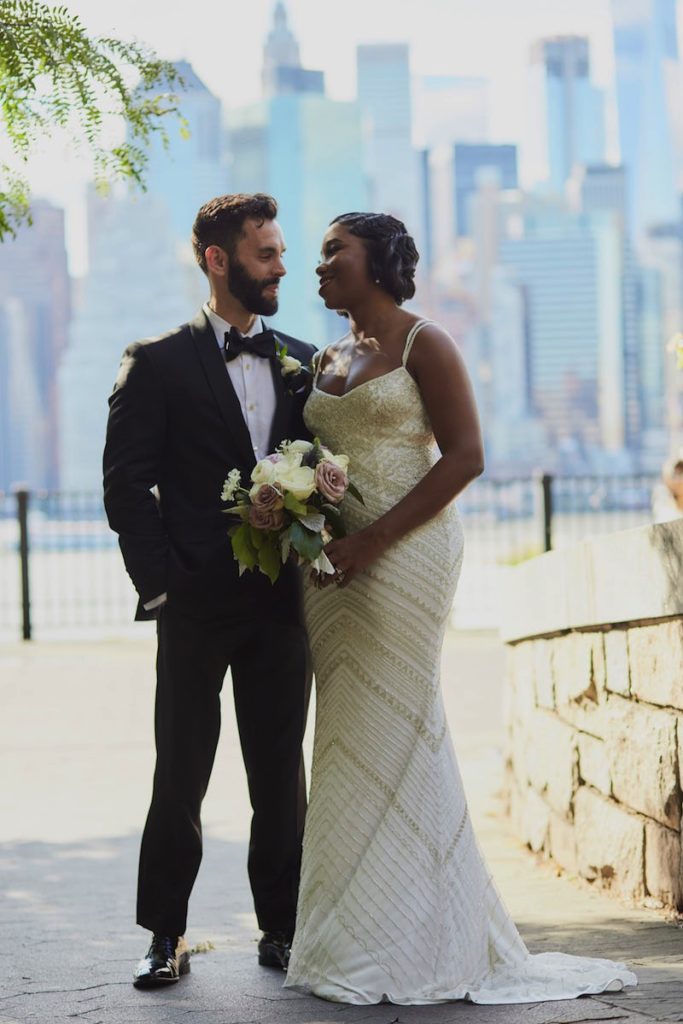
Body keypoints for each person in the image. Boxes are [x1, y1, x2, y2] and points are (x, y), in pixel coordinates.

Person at [284, 212, 637, 1005]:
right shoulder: (327, 357)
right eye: (317, 255)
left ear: (376, 260)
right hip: (331, 566)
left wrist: (372, 540)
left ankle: (429, 936)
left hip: (404, 556)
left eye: (333, 251)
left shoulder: (424, 344)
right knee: (345, 733)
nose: (319, 266)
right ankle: (353, 933)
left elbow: (468, 456)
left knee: (404, 722)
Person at [103, 193, 315, 988]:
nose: (281, 267)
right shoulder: (155, 361)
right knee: (180, 776)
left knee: (279, 777)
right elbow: (127, 485)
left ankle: (283, 930)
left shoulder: (304, 360)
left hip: (278, 607)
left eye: (282, 250)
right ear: (217, 259)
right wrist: (161, 589)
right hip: (192, 608)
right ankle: (165, 936)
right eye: (266, 254)